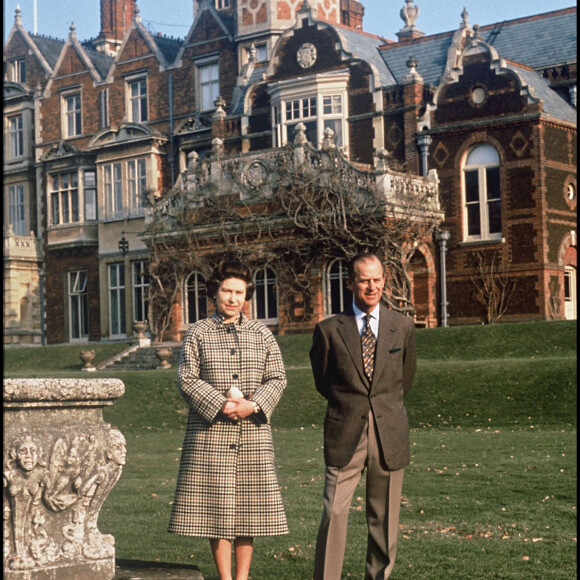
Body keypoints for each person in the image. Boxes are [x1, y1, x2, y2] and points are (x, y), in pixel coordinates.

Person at [168, 260, 288, 580]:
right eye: (226, 291)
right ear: (215, 293)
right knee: (216, 508)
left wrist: (253, 405)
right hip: (211, 433)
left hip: (252, 431)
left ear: (246, 295)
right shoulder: (197, 332)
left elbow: (277, 378)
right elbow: (187, 379)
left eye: (239, 292)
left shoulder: (262, 333)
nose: (233, 299)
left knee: (248, 510)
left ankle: (242, 577)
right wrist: (221, 405)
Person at [310, 252, 417, 580]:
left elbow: (405, 378)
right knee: (334, 511)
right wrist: (352, 406)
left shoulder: (403, 325)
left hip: (389, 431)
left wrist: (381, 409)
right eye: (363, 280)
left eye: (377, 279)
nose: (371, 287)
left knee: (384, 519)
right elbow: (323, 380)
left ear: (384, 281)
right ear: (350, 283)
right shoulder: (329, 329)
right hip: (346, 431)